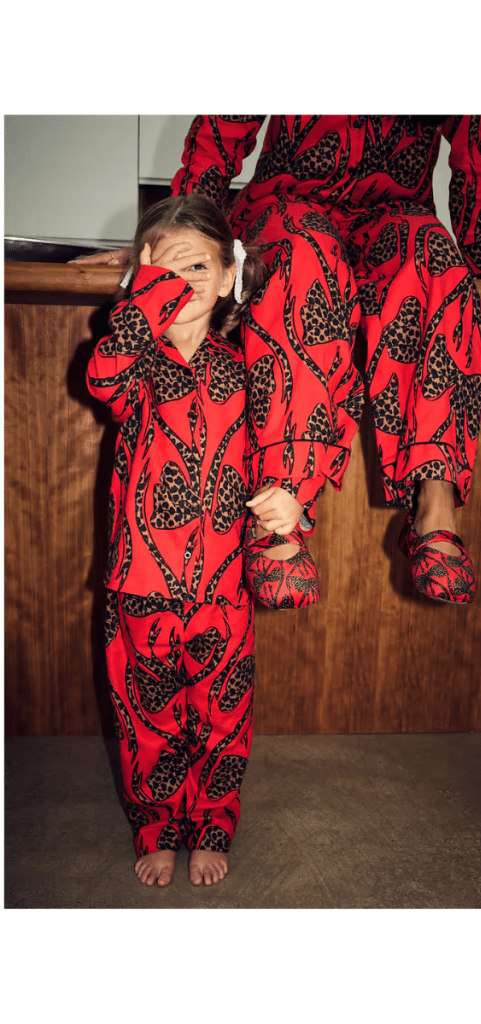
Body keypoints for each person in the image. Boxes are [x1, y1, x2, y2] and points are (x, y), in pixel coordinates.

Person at [80, 115, 481, 604]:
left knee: (436, 260)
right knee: (300, 255)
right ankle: (282, 504)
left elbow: (478, 130)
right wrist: (175, 240)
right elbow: (223, 125)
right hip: (286, 200)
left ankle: (436, 500)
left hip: (397, 209)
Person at [86, 193, 324, 888]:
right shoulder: (132, 364)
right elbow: (101, 376)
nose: (179, 287)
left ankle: (213, 824)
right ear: (138, 282)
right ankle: (156, 828)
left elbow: (281, 452)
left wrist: (290, 507)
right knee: (147, 721)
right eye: (160, 273)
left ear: (227, 277)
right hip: (141, 587)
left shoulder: (247, 365)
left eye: (195, 270)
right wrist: (145, 297)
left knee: (223, 720)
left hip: (224, 590)